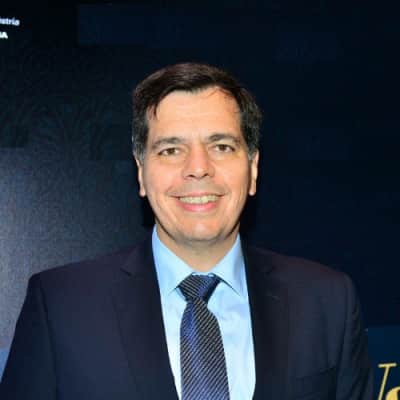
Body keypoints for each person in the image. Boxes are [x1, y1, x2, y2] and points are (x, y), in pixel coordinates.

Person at [0, 63, 373, 399]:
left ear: (253, 168)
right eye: (171, 150)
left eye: (221, 146)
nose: (198, 168)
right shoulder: (61, 306)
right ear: (141, 172)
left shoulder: (326, 301)